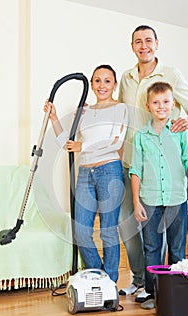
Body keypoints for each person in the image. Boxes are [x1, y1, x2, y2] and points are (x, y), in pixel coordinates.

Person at [118, 24, 188, 301]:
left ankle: (167, 287)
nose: (143, 46)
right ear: (132, 46)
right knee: (129, 224)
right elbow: (122, 115)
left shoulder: (170, 75)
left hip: (166, 166)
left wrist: (186, 124)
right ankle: (142, 279)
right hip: (133, 162)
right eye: (138, 42)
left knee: (165, 233)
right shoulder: (127, 78)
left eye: (148, 41)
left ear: (157, 44)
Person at [44, 64, 128, 282]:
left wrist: (84, 146)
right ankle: (98, 276)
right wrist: (54, 118)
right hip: (85, 175)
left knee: (108, 231)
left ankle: (109, 284)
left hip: (109, 170)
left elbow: (115, 141)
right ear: (91, 84)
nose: (102, 85)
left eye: (107, 81)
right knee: (81, 231)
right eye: (97, 81)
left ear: (115, 84)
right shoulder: (84, 112)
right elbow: (68, 144)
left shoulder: (120, 109)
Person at [129, 81, 188, 309]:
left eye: (166, 102)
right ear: (148, 105)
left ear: (173, 105)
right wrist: (136, 201)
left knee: (176, 247)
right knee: (151, 247)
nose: (161, 106)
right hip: (149, 200)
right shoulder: (141, 136)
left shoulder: (181, 133)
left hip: (176, 199)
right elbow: (135, 170)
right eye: (156, 102)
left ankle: (176, 289)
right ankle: (152, 291)